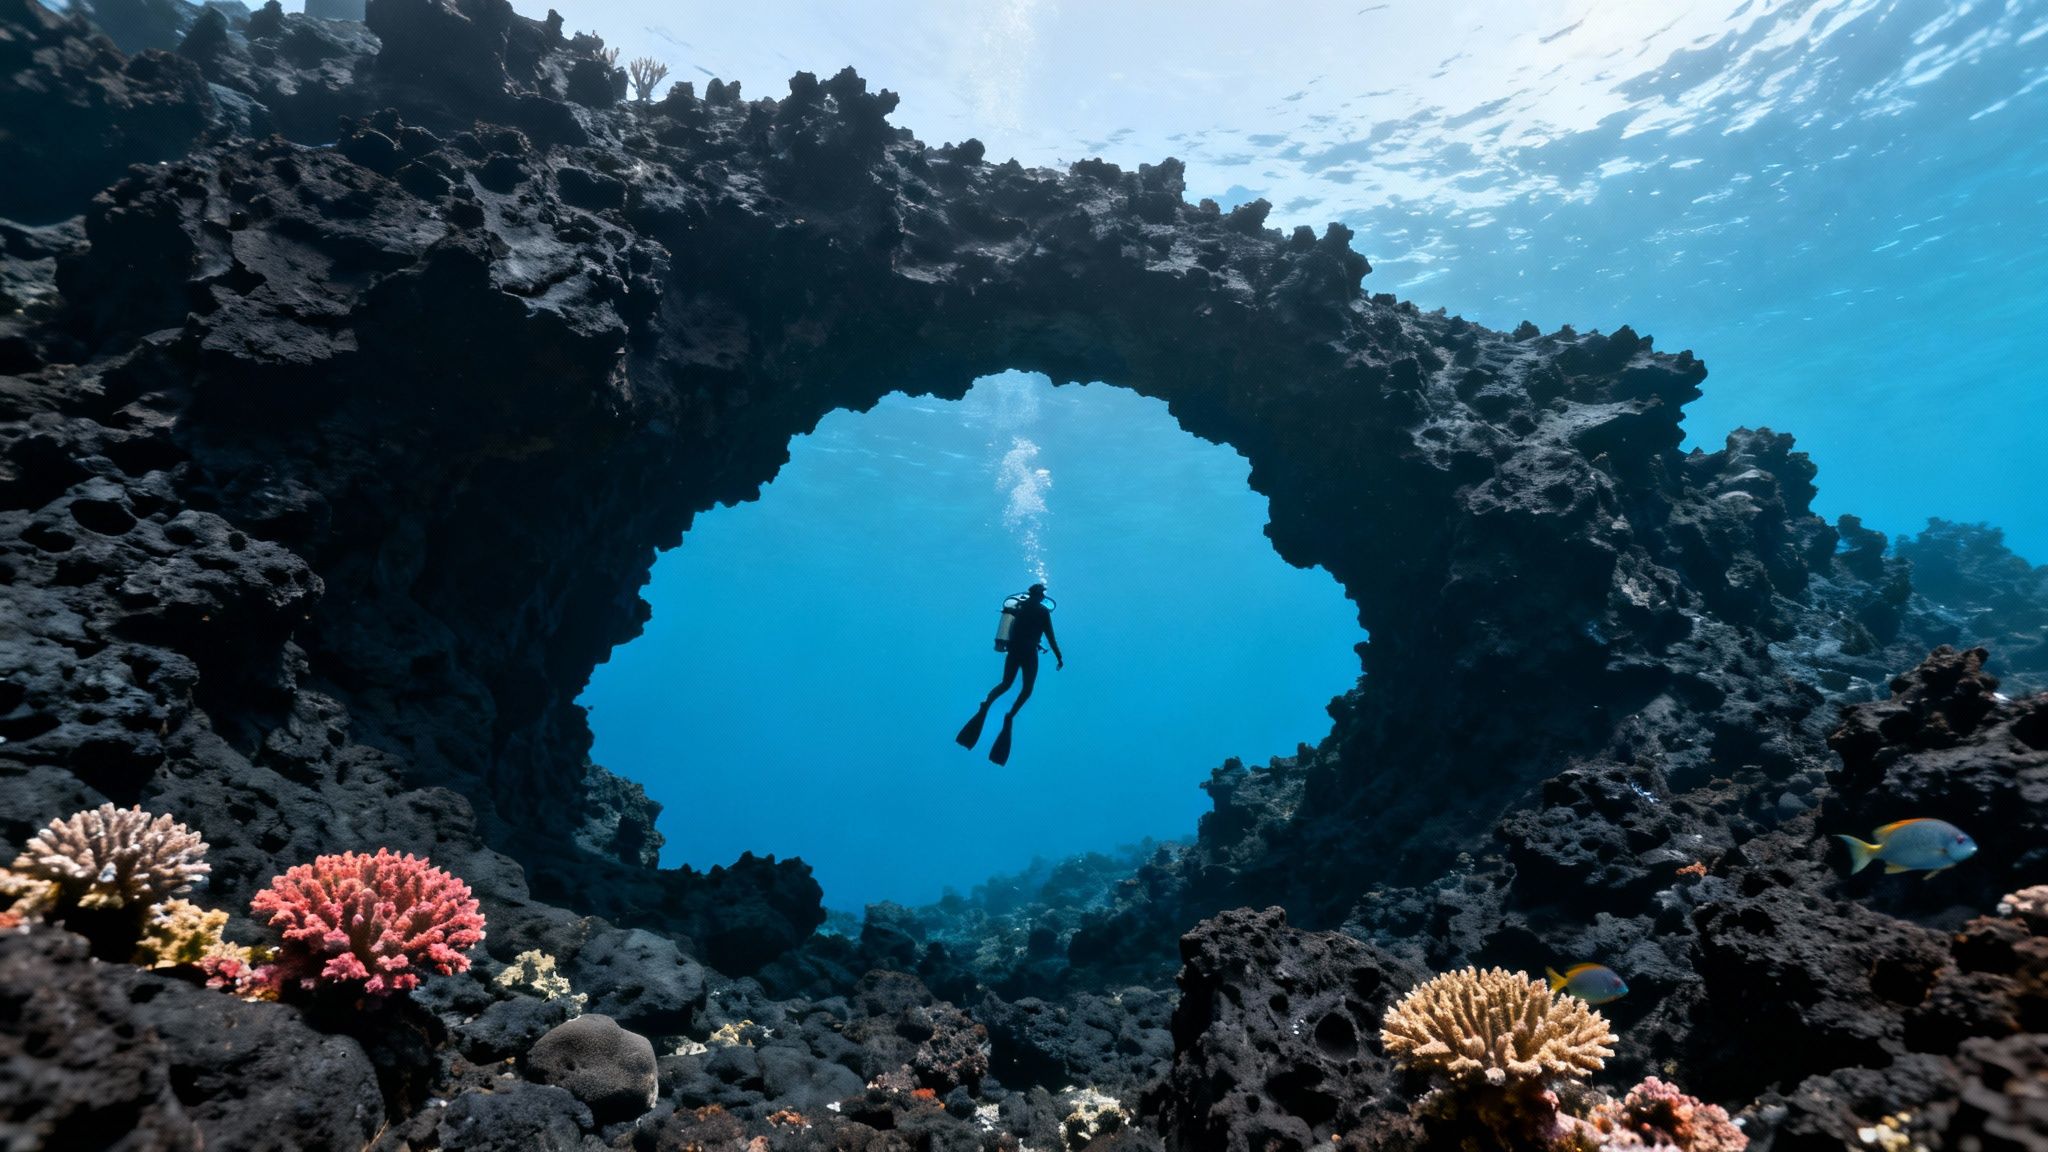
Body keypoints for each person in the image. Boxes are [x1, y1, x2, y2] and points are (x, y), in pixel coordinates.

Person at [956, 583, 1062, 764]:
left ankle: (986, 704)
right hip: (1028, 654)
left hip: (1014, 652)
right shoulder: (1043, 612)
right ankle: (1010, 715)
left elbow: (1011, 632)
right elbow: (1051, 637)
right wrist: (1059, 657)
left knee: (1005, 684)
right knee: (1027, 690)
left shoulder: (1018, 608)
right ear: (1040, 595)